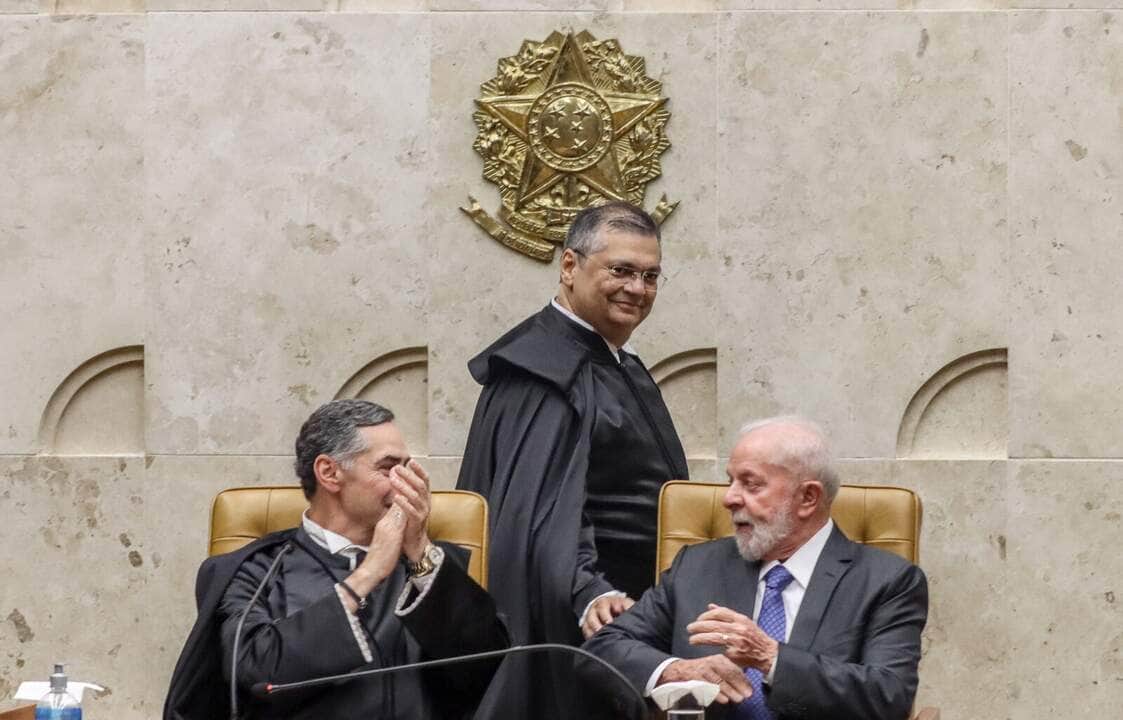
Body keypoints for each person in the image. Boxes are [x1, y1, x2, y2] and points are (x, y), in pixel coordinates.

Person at [163, 399, 508, 720]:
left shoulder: (426, 568)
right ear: (329, 472)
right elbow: (257, 675)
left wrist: (418, 549)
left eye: (407, 470)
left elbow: (486, 666)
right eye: (388, 468)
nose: (405, 485)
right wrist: (367, 575)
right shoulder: (254, 571)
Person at [583, 417, 928, 720]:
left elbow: (890, 696)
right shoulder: (696, 567)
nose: (729, 498)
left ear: (808, 498)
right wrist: (675, 671)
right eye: (731, 481)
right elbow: (603, 649)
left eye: (751, 484)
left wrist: (770, 657)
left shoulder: (887, 581)